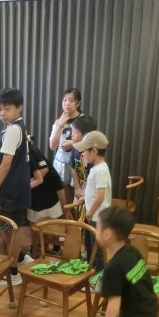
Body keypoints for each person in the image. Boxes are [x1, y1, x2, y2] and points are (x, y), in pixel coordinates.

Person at [0, 87, 32, 285]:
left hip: (12, 190)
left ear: (19, 108)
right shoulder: (18, 127)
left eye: (7, 109)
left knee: (9, 232)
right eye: (0, 109)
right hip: (18, 188)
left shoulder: (14, 129)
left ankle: (14, 273)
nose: (2, 113)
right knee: (8, 230)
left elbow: (5, 165)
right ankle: (21, 258)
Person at [73, 130, 111, 271]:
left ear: (94, 151)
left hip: (97, 216)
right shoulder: (97, 168)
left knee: (97, 249)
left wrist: (89, 213)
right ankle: (90, 270)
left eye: (84, 151)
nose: (82, 154)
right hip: (94, 215)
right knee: (90, 245)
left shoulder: (100, 170)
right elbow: (94, 192)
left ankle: (99, 276)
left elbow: (100, 196)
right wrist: (85, 197)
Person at [50, 88, 83, 204]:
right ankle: (66, 214)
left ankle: (74, 215)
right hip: (61, 162)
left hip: (78, 162)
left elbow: (90, 141)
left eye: (71, 100)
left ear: (78, 103)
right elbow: (52, 146)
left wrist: (73, 144)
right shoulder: (59, 121)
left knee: (78, 194)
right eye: (64, 100)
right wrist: (60, 124)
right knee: (63, 195)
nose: (67, 103)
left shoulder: (83, 120)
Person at [69, 115, 97, 199]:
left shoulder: (92, 151)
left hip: (92, 189)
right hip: (80, 186)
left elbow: (93, 175)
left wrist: (86, 192)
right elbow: (73, 168)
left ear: (86, 135)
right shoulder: (75, 146)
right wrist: (78, 188)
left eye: (75, 132)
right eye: (72, 131)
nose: (72, 135)